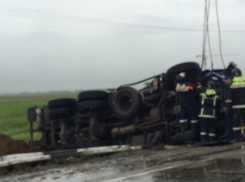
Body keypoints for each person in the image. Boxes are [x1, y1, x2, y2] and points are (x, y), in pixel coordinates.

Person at [227, 67, 245, 141]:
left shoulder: (233, 84)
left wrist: (228, 106)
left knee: (236, 123)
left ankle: (237, 137)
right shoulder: (244, 82)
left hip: (236, 106)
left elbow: (230, 97)